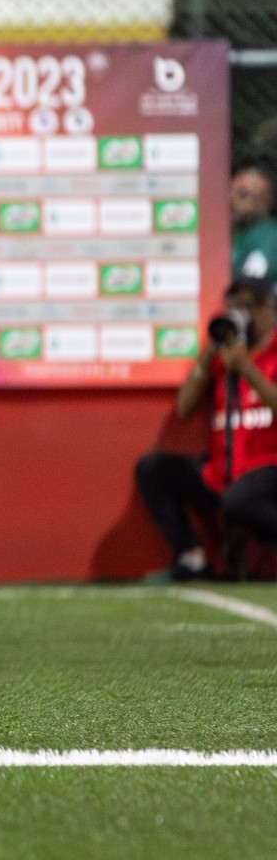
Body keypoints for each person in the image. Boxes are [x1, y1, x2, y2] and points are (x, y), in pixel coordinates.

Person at [135, 277, 277, 581]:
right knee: (154, 468)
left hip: (268, 469)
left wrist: (248, 370)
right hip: (222, 471)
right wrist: (209, 353)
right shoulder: (223, 355)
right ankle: (192, 557)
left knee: (239, 500)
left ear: (269, 309)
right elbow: (185, 407)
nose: (242, 313)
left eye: (249, 305)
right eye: (234, 305)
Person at [232, 156, 277, 279]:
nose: (233, 200)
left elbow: (249, 291)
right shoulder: (234, 232)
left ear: (266, 201)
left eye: (244, 195)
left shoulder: (269, 234)